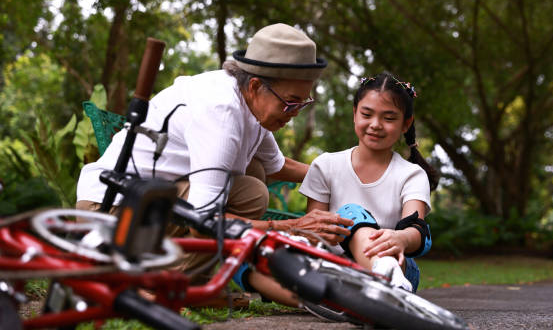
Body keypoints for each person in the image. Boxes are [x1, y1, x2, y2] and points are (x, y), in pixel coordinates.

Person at [75, 23, 354, 304]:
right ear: (256, 86)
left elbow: (276, 167)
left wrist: (342, 177)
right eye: (290, 103)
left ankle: (181, 279)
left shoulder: (250, 103)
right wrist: (295, 226)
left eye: (302, 104)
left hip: (149, 199)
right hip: (112, 209)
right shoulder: (221, 114)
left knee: (254, 175)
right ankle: (160, 286)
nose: (294, 113)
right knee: (252, 193)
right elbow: (203, 222)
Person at [300, 73, 439, 293]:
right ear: (355, 113)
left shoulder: (411, 174)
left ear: (406, 123)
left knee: (351, 214)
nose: (376, 125)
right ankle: (361, 292)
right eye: (367, 114)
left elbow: (416, 228)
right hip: (334, 264)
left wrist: (400, 238)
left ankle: (387, 280)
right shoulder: (325, 165)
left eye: (389, 118)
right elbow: (314, 232)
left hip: (396, 262)